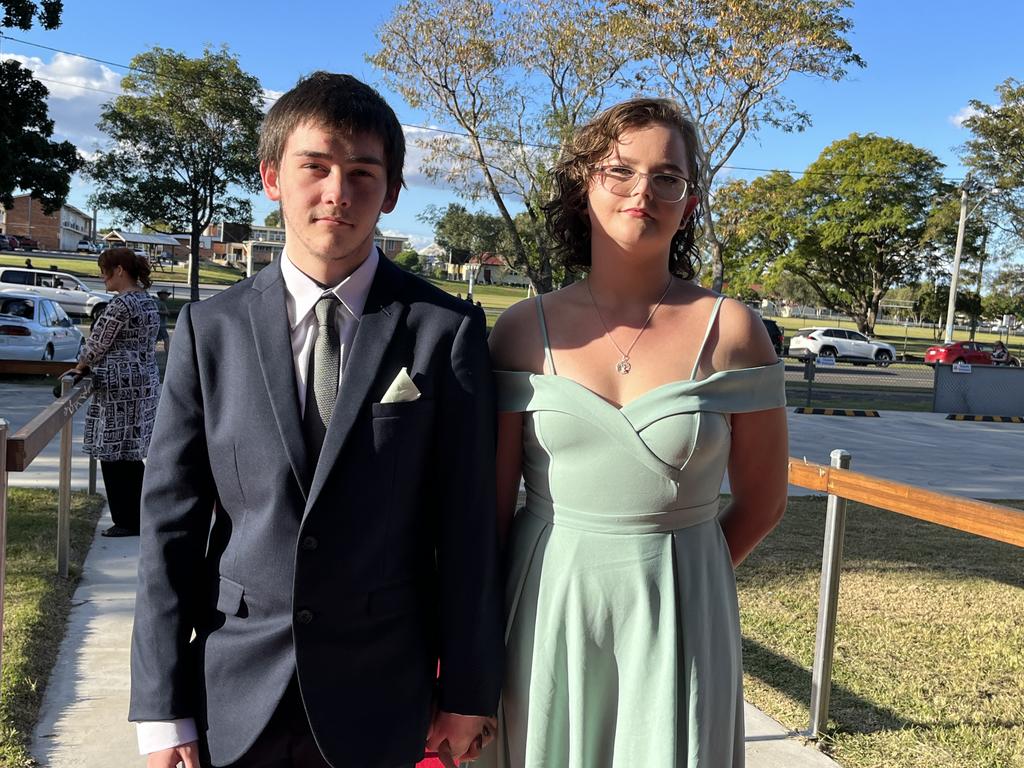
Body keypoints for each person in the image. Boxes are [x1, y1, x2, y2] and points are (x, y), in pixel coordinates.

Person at [130, 72, 503, 768]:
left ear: (391, 192)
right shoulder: (209, 331)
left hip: (382, 692)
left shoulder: (443, 330)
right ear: (272, 177)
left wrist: (469, 688)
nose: (338, 192)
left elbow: (468, 525)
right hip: (233, 690)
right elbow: (170, 525)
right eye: (316, 167)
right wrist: (159, 706)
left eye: (364, 172)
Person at [482, 98, 789, 767]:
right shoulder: (519, 332)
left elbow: (764, 502)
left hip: (681, 616)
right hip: (548, 612)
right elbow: (491, 512)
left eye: (666, 177)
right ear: (583, 185)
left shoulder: (733, 330)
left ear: (689, 200)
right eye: (620, 170)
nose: (643, 192)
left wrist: (680, 577)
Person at [67, 248, 161, 538]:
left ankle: (127, 520)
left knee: (112, 455)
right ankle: (147, 516)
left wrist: (80, 367)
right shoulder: (148, 303)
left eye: (105, 270)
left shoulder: (121, 305)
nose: (102, 276)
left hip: (118, 387)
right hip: (143, 383)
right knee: (131, 455)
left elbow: (97, 344)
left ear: (120, 270)